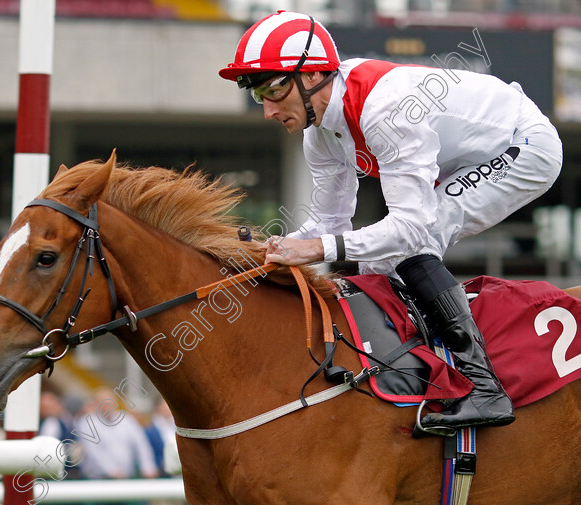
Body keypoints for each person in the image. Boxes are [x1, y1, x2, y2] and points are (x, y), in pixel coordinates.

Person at [220, 11, 562, 435]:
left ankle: (484, 387)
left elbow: (409, 229)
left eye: (273, 89)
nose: (269, 111)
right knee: (375, 259)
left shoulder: (385, 109)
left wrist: (315, 249)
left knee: (412, 244)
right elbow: (329, 221)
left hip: (522, 144)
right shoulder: (318, 133)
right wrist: (276, 248)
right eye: (258, 96)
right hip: (465, 156)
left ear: (313, 76)